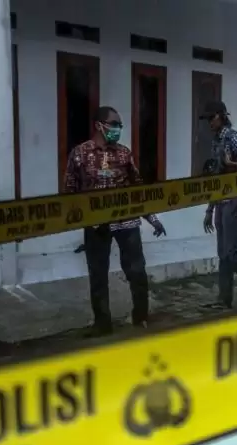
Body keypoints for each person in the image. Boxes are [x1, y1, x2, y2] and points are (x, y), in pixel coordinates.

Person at [64, 106, 166, 335]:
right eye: (114, 124)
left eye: (120, 125)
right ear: (98, 125)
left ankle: (141, 317)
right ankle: (103, 323)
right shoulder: (80, 154)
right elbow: (69, 193)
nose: (118, 129)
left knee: (137, 271)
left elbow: (138, 190)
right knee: (98, 275)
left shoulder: (124, 154)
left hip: (126, 223)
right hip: (96, 225)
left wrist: (152, 219)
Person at [200, 101, 237, 309]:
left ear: (222, 116)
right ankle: (224, 300)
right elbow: (216, 177)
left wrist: (234, 165)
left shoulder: (234, 138)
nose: (209, 122)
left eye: (211, 117)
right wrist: (209, 209)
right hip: (222, 201)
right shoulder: (216, 141)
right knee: (223, 254)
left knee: (231, 252)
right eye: (207, 119)